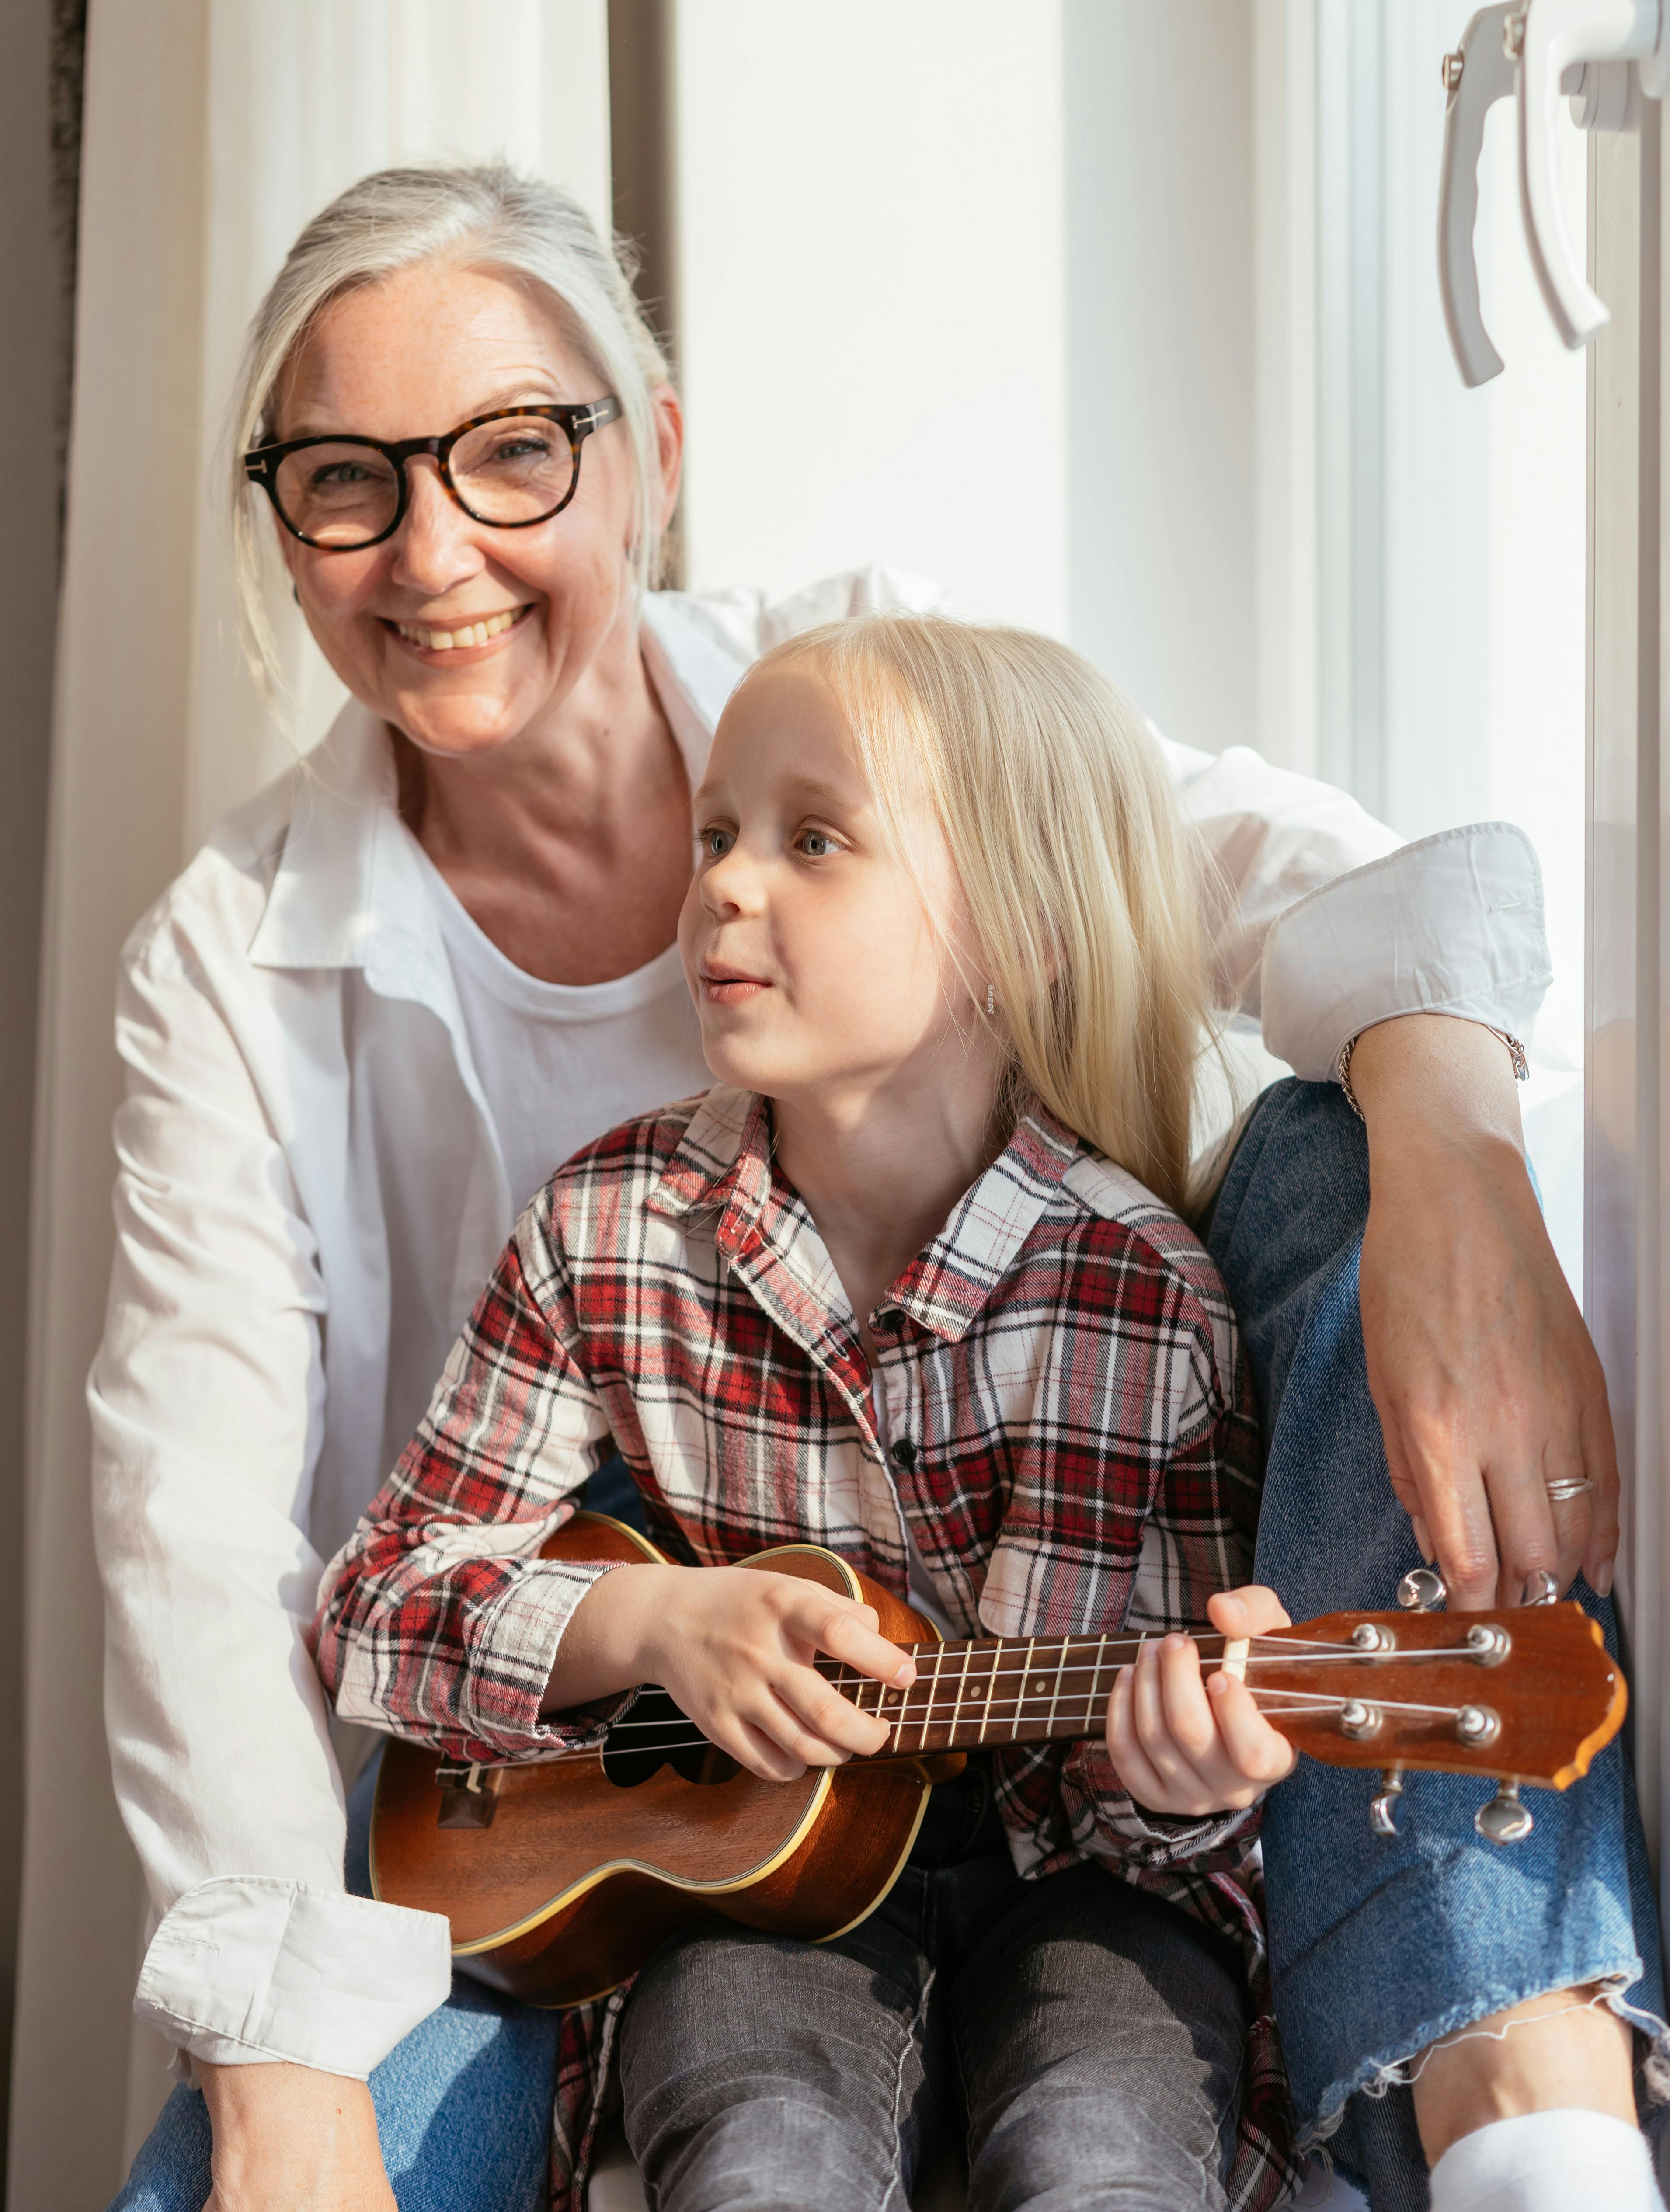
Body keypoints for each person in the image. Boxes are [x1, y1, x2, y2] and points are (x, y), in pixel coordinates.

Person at [95, 161, 1655, 2212]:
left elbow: (1314, 875)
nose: (431, 545)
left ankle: (1515, 2076)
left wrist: (1453, 1146)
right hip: (535, 1763)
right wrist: (294, 2081)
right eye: (342, 480)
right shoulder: (246, 962)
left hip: (984, 1770)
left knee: (1329, 1137)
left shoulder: (863, 697)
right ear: (282, 522)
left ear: (649, 451)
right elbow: (206, 1552)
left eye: (507, 453)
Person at [311, 611, 1316, 2210]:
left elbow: (1169, 1837)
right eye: (716, 832)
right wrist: (651, 1625)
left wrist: (1188, 1781)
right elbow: (376, 1607)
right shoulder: (609, 1230)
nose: (721, 879)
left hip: (1081, 1901)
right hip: (758, 1907)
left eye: (814, 838)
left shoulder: (1141, 1301)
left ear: (1014, 926)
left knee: (1099, 2157)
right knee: (759, 2149)